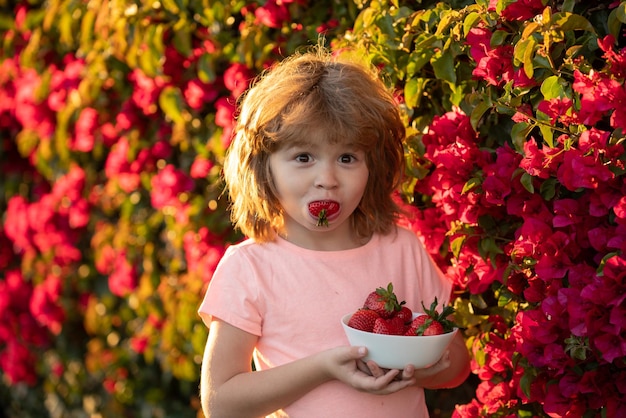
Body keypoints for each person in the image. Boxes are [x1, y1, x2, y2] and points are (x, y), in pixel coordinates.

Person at [198, 46, 471, 417]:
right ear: (265, 168)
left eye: (347, 158)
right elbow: (221, 404)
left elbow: (457, 367)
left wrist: (417, 368)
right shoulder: (251, 268)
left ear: (372, 166)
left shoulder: (401, 248)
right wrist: (324, 368)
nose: (327, 180)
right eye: (303, 158)